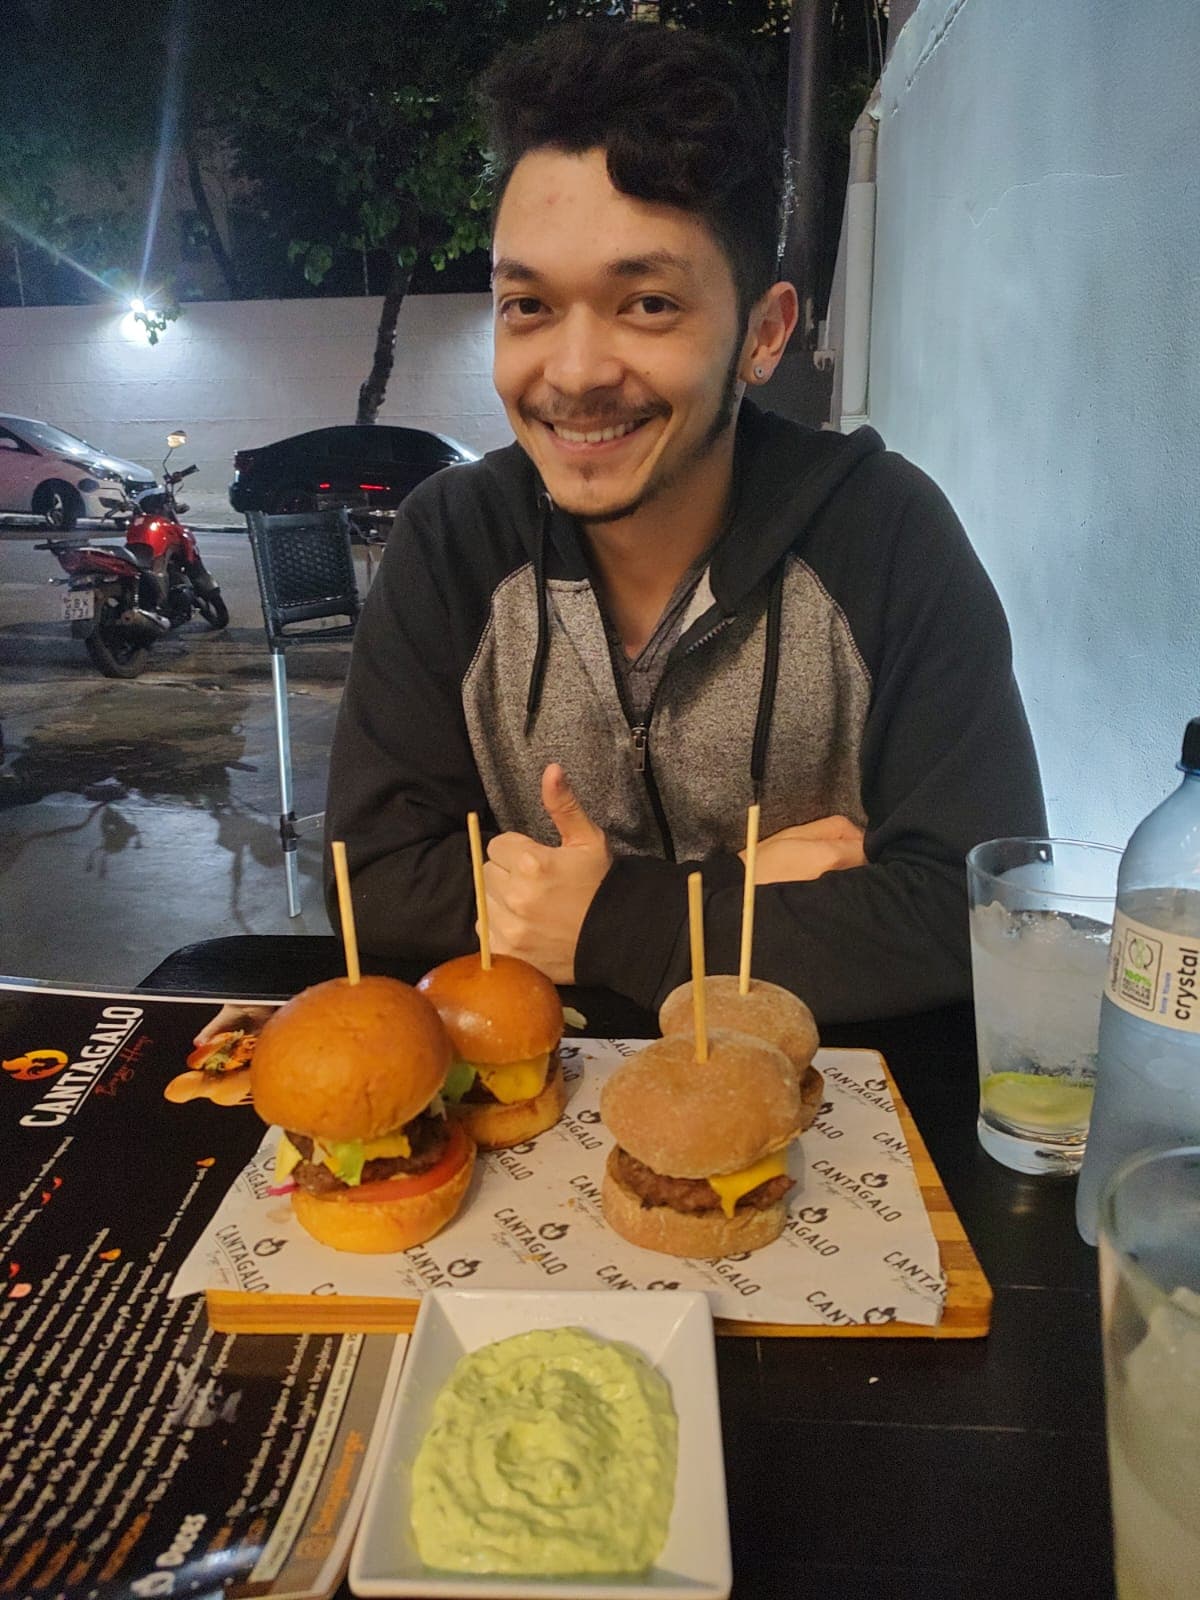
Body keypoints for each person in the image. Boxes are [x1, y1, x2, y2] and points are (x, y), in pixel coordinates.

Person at [323, 19, 1045, 1023]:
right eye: (527, 305)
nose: (573, 374)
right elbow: (376, 894)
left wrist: (619, 922)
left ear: (764, 332)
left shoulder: (885, 535)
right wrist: (755, 902)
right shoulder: (452, 541)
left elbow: (977, 916)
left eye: (648, 303)